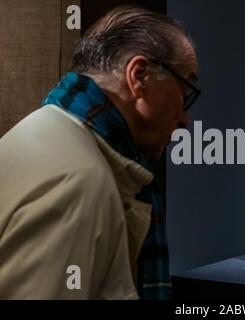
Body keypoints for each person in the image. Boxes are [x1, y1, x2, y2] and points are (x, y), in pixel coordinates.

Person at [0, 5, 199, 299]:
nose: (185, 119)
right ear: (139, 76)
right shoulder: (78, 184)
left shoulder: (42, 135)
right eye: (185, 92)